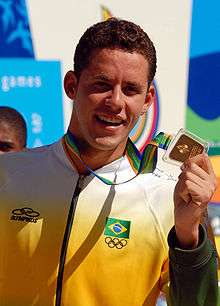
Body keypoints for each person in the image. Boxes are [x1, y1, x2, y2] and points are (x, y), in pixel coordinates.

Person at [0, 18, 218, 306]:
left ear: (147, 100)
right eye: (102, 84)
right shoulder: (9, 175)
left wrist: (189, 235)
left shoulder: (170, 200)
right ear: (71, 85)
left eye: (130, 90)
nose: (115, 102)